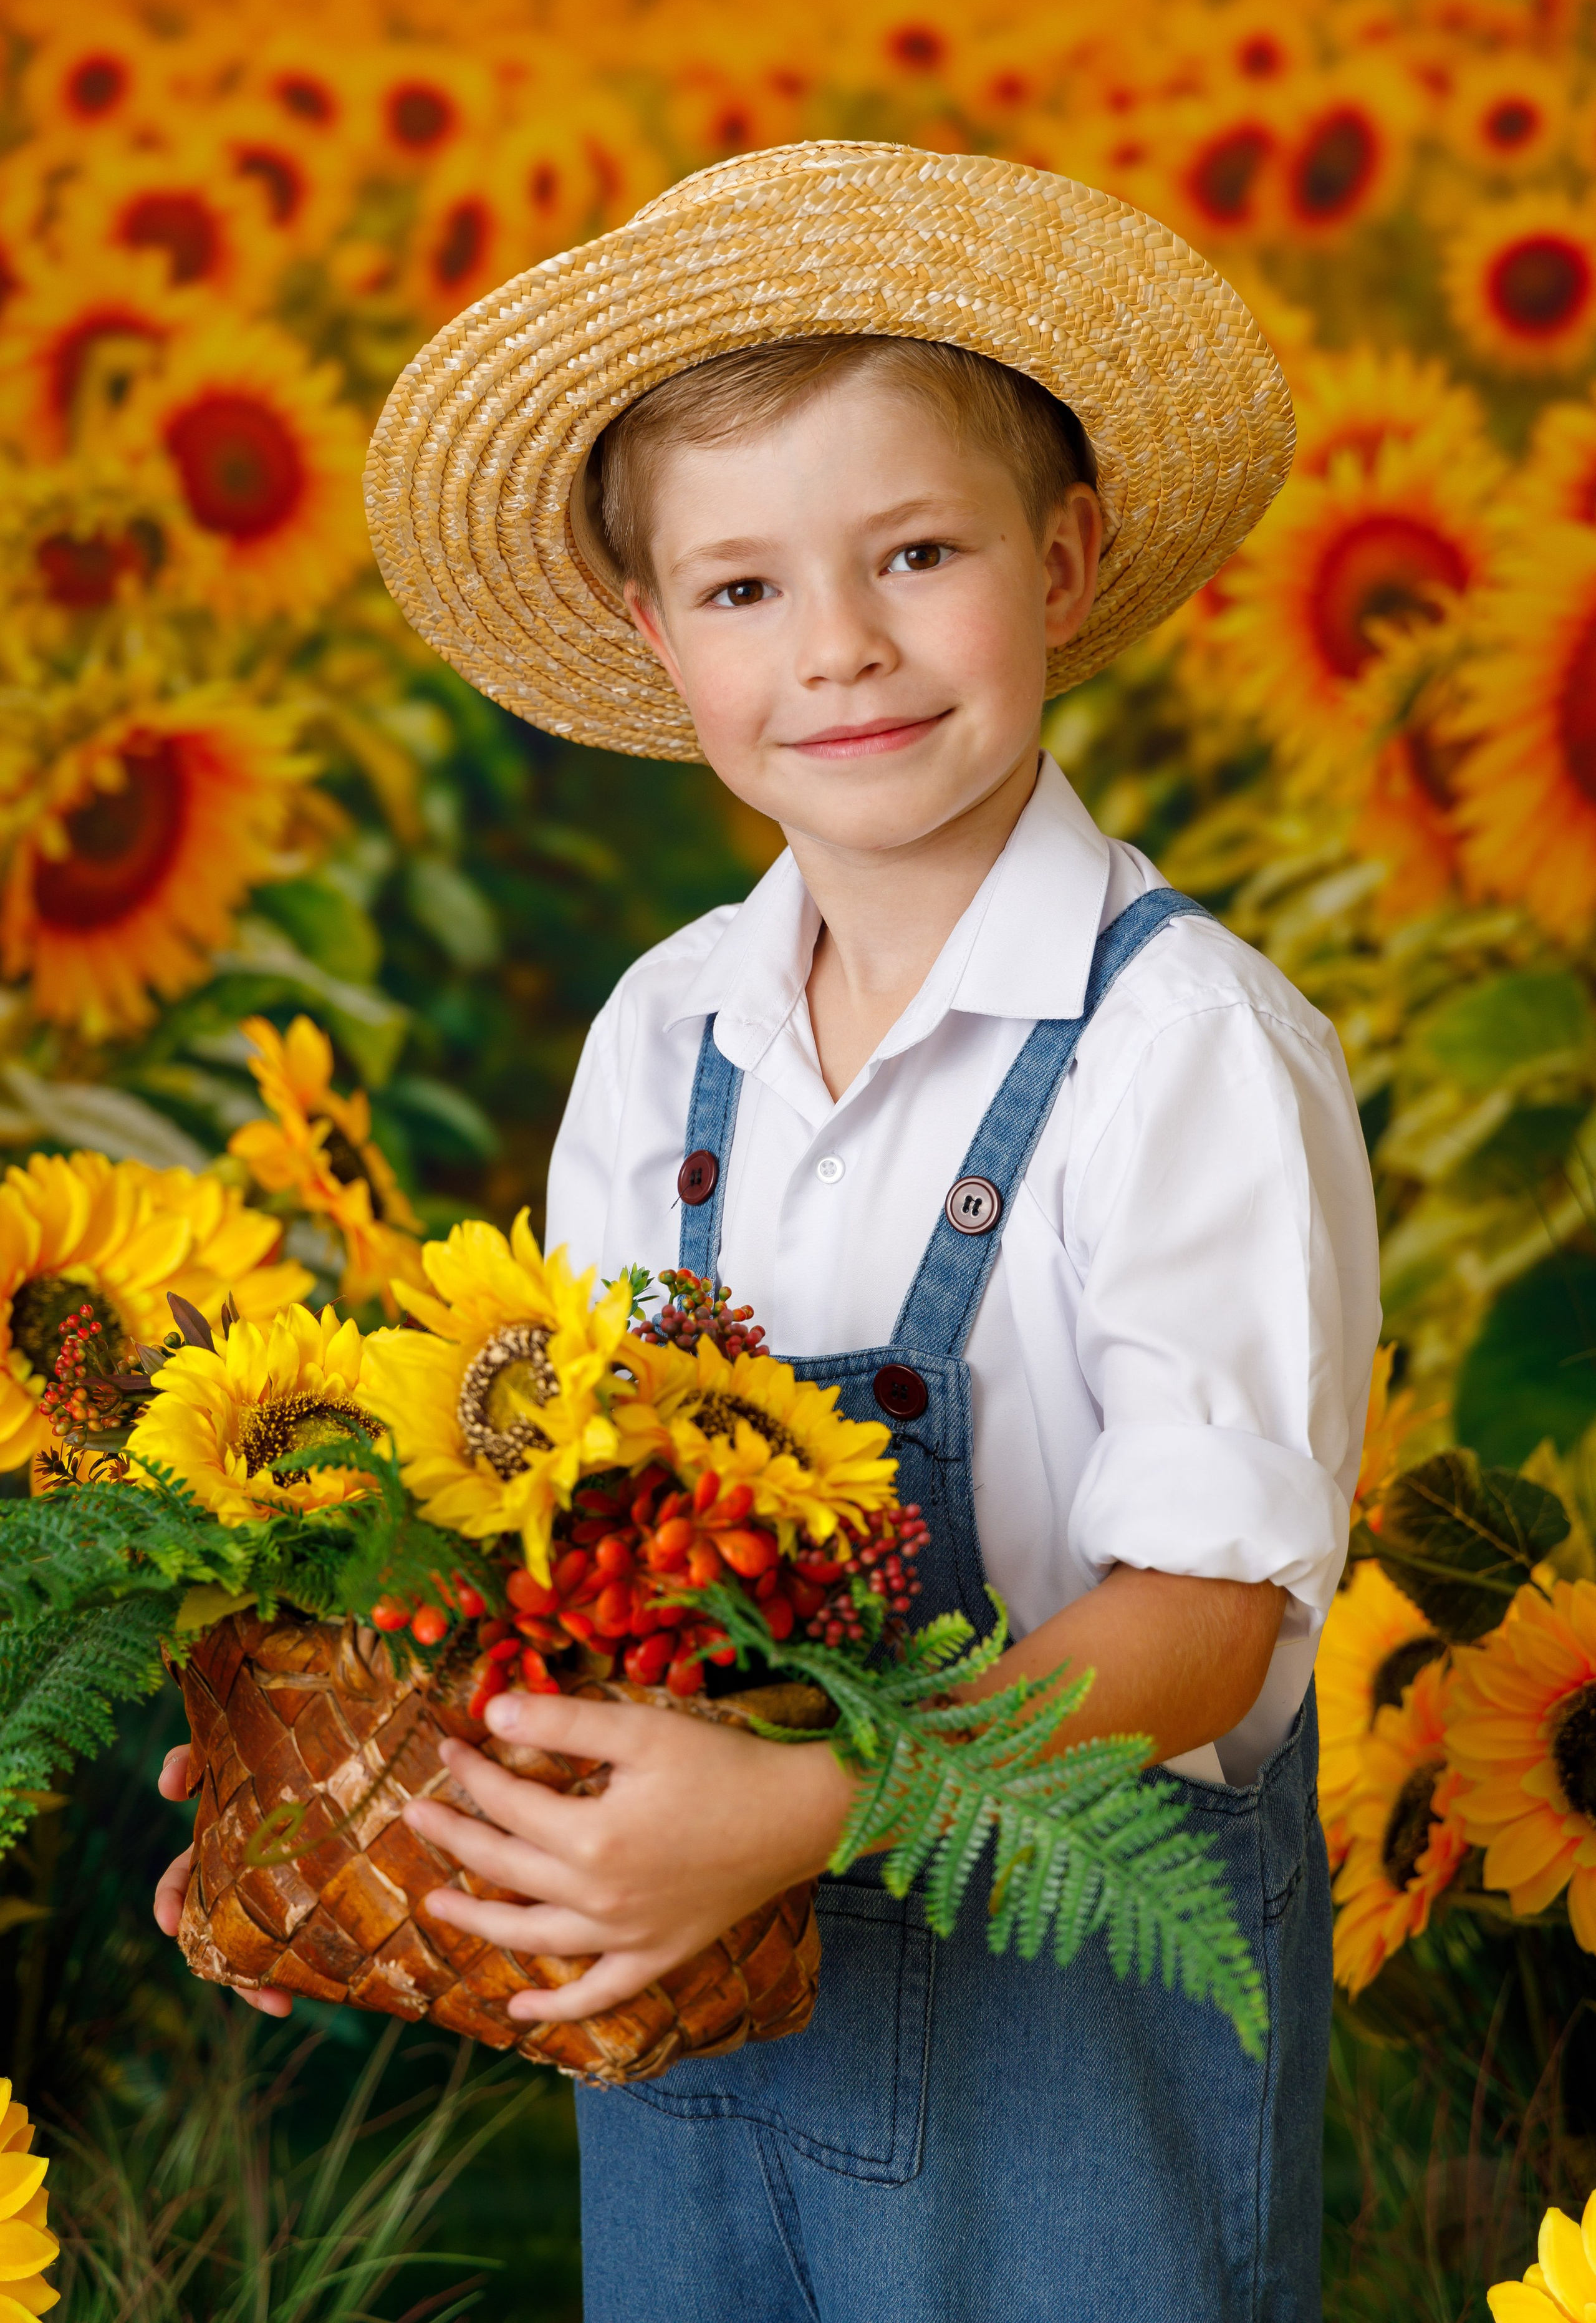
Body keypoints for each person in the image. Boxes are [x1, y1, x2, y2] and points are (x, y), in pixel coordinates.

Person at [157, 144, 1380, 2321]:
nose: (839, 650)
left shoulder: (1182, 1046)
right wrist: (355, 1787)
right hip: (698, 2033)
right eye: (742, 590)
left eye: (916, 552)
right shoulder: (668, 1036)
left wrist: (819, 1799)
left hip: (1070, 2060)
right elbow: (579, 1531)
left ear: (1068, 560)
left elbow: (1207, 1618)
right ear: (652, 633)